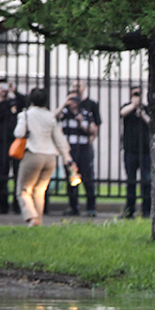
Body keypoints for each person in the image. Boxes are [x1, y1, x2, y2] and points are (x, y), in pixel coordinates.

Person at [13, 87, 78, 227]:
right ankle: (39, 221)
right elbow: (60, 140)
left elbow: (19, 133)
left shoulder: (25, 115)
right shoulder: (50, 116)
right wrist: (68, 158)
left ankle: (31, 217)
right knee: (39, 191)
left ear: (31, 100)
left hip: (33, 154)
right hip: (50, 157)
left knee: (23, 190)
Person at [55, 88, 98, 216]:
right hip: (70, 150)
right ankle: (73, 207)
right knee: (72, 178)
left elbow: (93, 131)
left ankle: (91, 208)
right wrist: (64, 103)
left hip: (84, 148)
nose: (73, 102)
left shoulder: (86, 113)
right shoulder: (64, 112)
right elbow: (54, 117)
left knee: (87, 178)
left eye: (75, 99)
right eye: (70, 99)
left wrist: (81, 123)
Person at [0, 78, 26, 214]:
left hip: (17, 142)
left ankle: (18, 205)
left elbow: (26, 101)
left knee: (19, 175)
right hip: (2, 144)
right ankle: (3, 206)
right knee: (2, 174)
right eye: (0, 87)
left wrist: (15, 91)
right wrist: (1, 97)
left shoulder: (15, 102)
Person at [119, 86, 151, 218]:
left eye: (138, 94)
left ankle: (146, 210)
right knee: (131, 181)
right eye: (134, 94)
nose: (137, 96)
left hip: (145, 151)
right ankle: (129, 210)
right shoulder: (128, 107)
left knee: (146, 181)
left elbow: (151, 123)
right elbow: (122, 113)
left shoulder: (146, 109)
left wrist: (142, 114)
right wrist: (133, 105)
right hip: (130, 151)